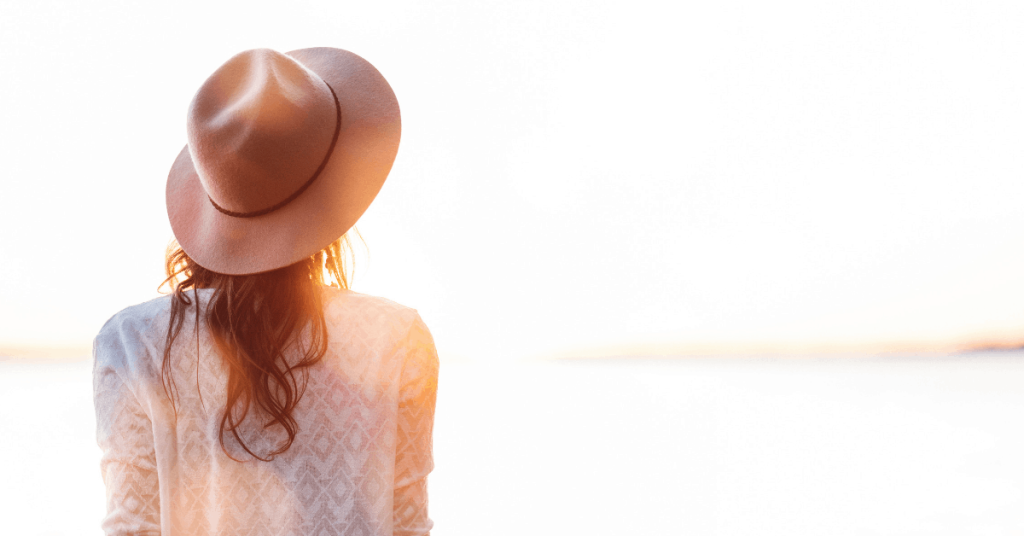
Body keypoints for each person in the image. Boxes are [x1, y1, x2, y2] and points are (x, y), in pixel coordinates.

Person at [92, 47, 437, 536]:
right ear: (335, 190)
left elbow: (132, 528)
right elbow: (407, 525)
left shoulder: (131, 343)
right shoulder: (398, 339)